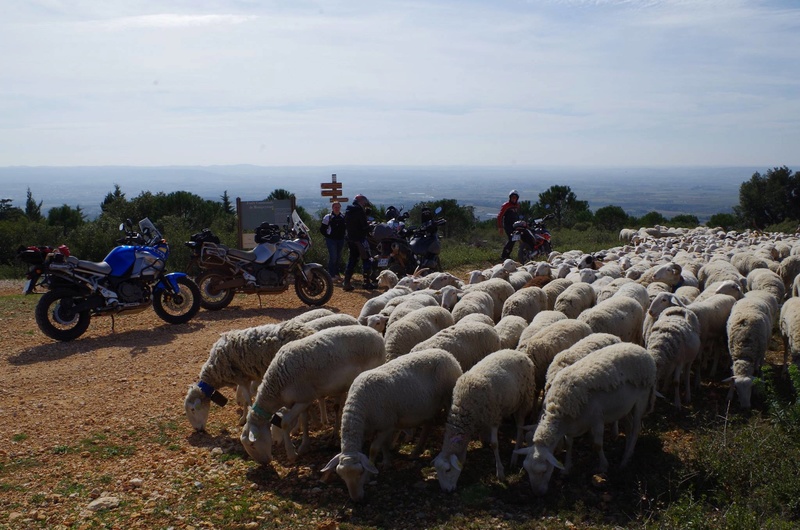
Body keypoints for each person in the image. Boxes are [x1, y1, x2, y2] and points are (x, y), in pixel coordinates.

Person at [342, 194, 375, 291]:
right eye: (364, 202)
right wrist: (370, 226)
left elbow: (351, 224)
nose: (365, 204)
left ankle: (346, 282)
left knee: (352, 260)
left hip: (351, 239)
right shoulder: (359, 211)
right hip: (360, 239)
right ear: (361, 201)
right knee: (366, 259)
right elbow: (364, 227)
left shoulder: (348, 210)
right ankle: (367, 282)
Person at [319, 201, 346, 282]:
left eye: (338, 207)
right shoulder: (328, 217)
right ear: (332, 208)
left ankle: (337, 274)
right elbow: (322, 229)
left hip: (340, 239)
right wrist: (328, 236)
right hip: (331, 240)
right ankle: (331, 275)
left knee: (338, 257)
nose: (337, 209)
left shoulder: (343, 217)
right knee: (333, 257)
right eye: (335, 207)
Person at [497, 189, 521, 260]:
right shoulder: (506, 205)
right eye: (512, 197)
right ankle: (504, 255)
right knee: (511, 239)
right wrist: (500, 227)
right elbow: (500, 216)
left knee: (516, 239)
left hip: (516, 225)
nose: (514, 199)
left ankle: (509, 254)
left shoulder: (517, 205)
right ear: (510, 198)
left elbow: (518, 215)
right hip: (508, 225)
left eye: (515, 197)